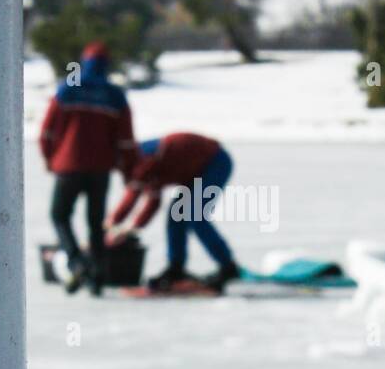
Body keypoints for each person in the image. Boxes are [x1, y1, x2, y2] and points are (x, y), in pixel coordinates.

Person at [39, 42, 134, 294]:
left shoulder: (68, 89)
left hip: (68, 167)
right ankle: (97, 278)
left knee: (60, 215)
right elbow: (125, 140)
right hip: (100, 170)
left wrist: (50, 159)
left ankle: (76, 261)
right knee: (95, 223)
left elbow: (46, 132)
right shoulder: (115, 95)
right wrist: (127, 171)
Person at [105, 131, 241, 292]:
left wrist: (120, 227)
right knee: (176, 216)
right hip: (194, 170)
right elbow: (143, 197)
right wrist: (118, 226)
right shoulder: (133, 163)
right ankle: (176, 269)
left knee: (194, 215)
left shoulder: (142, 161)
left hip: (215, 162)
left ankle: (228, 267)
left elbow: (142, 200)